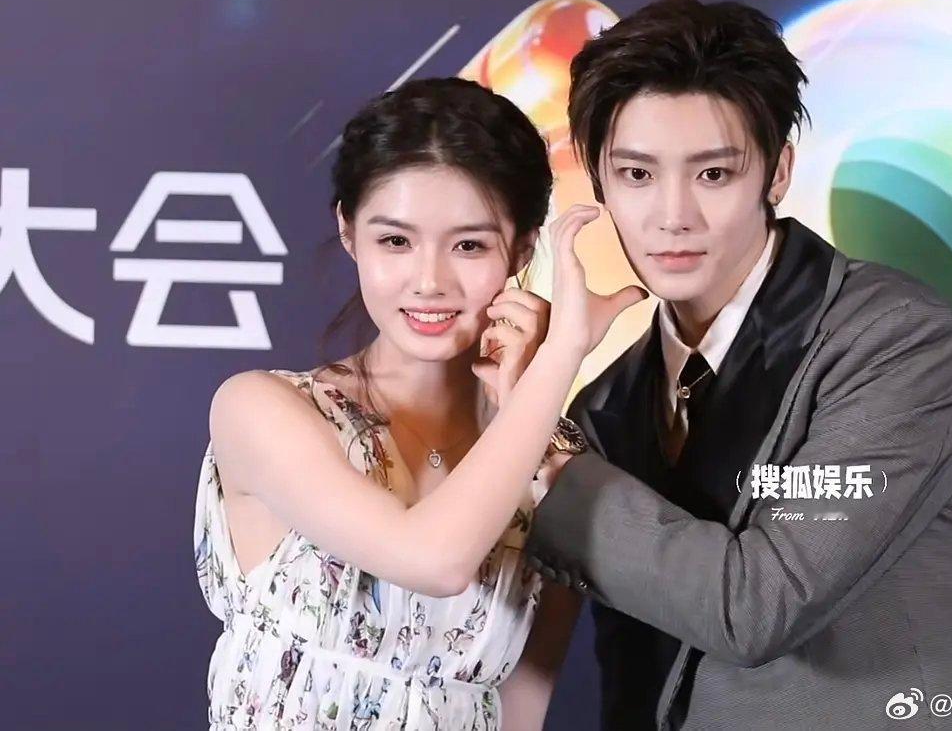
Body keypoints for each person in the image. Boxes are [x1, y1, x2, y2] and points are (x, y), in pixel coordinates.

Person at [523, 0, 952, 729]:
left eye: (713, 175)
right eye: (636, 175)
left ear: (778, 172)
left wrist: (547, 456)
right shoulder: (604, 404)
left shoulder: (897, 341)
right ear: (598, 182)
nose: (672, 216)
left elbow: (758, 607)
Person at [193, 77, 645, 729]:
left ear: (522, 249)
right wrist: (561, 354)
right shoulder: (263, 410)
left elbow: (523, 706)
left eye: (469, 245)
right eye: (395, 241)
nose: (430, 281)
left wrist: (536, 399)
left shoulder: (553, 461)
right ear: (348, 232)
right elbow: (434, 559)